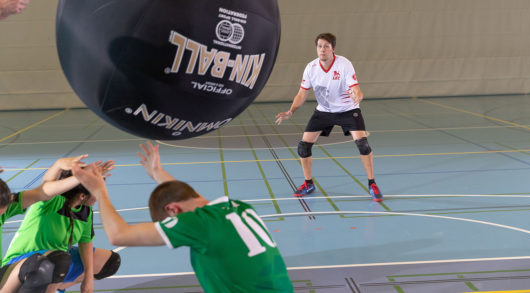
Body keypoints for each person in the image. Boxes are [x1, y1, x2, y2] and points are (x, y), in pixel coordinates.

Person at [72, 141, 294, 293]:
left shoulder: (199, 223)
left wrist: (99, 190)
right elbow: (193, 197)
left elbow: (118, 235)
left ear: (172, 210)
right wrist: (158, 172)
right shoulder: (237, 207)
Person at [275, 32, 383, 201]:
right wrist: (291, 111)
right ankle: (308, 183)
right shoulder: (311, 68)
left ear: (333, 49)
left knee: (363, 144)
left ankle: (372, 183)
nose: (322, 50)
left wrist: (358, 96)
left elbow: (356, 88)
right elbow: (302, 94)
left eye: (326, 46)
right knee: (303, 147)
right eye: (319, 46)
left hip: (348, 109)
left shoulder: (344, 64)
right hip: (324, 111)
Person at [0, 158, 120, 293]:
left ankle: (57, 285)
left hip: (53, 261)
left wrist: (88, 278)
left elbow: (85, 241)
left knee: (110, 262)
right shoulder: (51, 202)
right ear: (82, 196)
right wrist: (59, 166)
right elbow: (44, 188)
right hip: (24, 262)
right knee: (57, 259)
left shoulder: (85, 212)